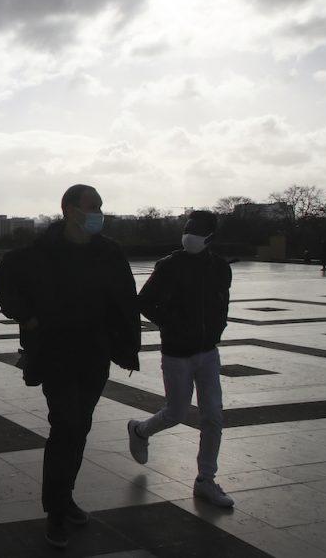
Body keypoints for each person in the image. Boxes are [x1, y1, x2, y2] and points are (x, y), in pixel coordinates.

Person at [0, 185, 139, 549]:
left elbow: (125, 299)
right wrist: (26, 317)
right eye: (94, 206)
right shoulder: (39, 253)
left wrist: (125, 345)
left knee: (79, 427)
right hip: (56, 353)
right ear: (70, 210)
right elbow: (2, 279)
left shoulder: (108, 252)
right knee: (66, 425)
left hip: (94, 353)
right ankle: (56, 510)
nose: (99, 212)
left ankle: (64, 497)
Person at [127, 210, 235, 508]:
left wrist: (216, 329)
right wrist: (171, 323)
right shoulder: (169, 266)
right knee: (176, 412)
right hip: (176, 352)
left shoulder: (220, 268)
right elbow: (144, 301)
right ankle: (140, 429)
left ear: (210, 236)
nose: (190, 234)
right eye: (188, 228)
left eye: (196, 230)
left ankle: (206, 479)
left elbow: (221, 303)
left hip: (208, 352)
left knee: (213, 416)